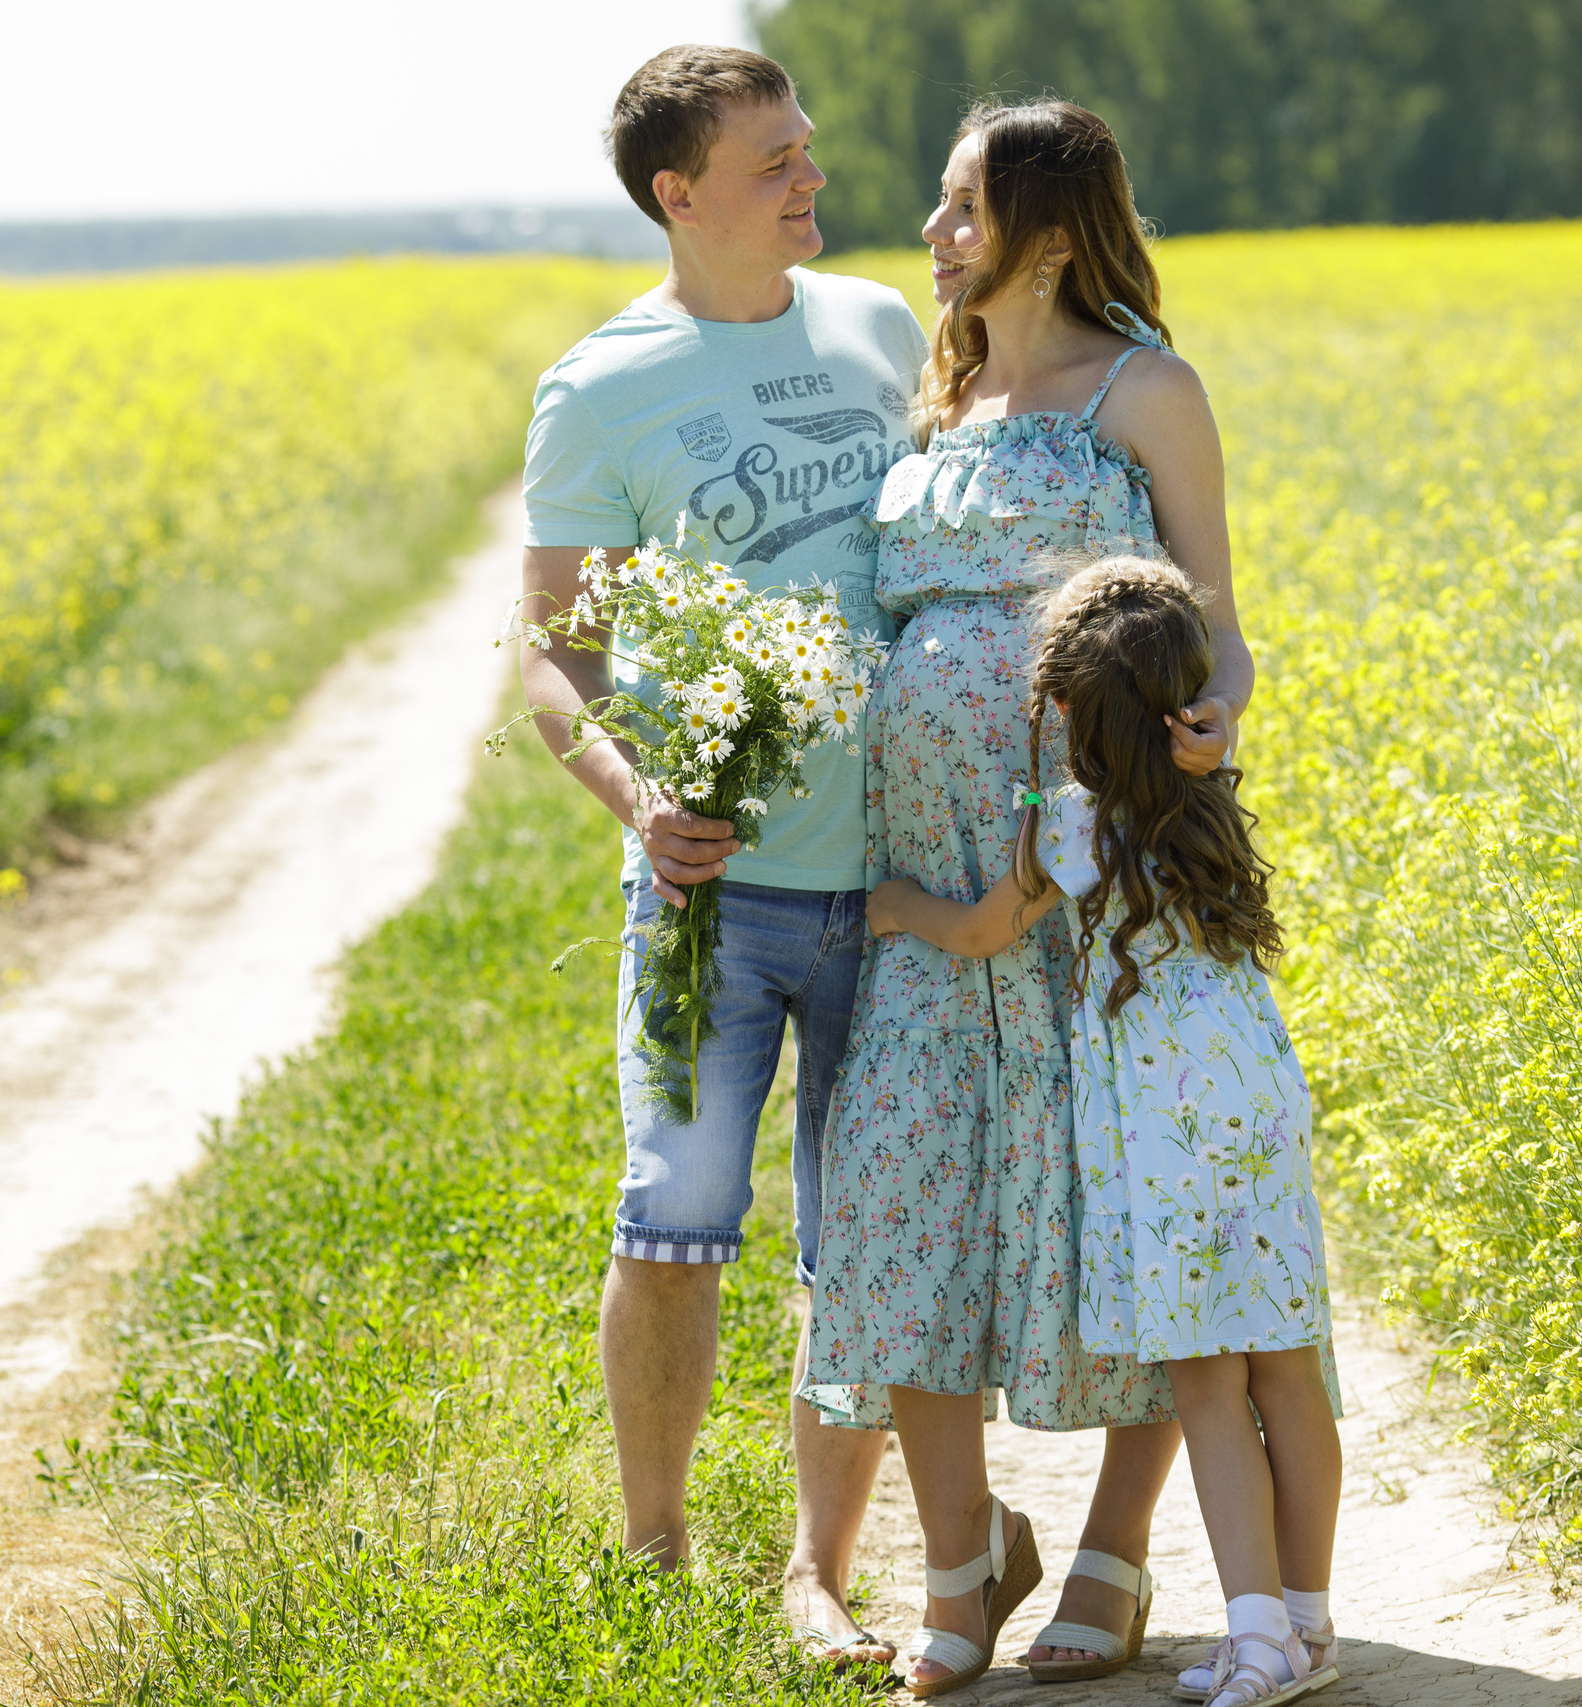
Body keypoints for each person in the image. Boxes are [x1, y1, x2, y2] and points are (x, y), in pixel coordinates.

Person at [795, 99, 1340, 1696]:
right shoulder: (941, 396)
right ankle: (958, 1559)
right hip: (934, 887)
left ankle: (1112, 1545)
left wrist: (1214, 713)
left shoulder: (1144, 389)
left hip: (1094, 891)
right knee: (903, 1196)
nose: (936, 233)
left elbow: (1218, 618)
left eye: (964, 207)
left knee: (1129, 1221)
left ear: (1046, 229)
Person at [516, 43, 928, 1670]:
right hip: (713, 895)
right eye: (775, 162)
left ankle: (820, 1572)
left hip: (895, 881)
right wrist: (636, 798)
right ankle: (656, 1547)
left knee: (862, 1236)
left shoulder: (881, 327)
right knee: (673, 1213)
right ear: (679, 195)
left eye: (806, 148)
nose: (811, 177)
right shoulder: (601, 384)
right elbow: (557, 654)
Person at [865, 558, 1344, 1706]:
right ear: (1184, 699)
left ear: (1066, 707)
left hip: (1167, 1139)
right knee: (1286, 1369)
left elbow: (981, 933)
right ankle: (1307, 1626)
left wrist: (895, 906)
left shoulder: (1067, 826)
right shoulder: (1208, 794)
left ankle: (1257, 1642)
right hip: (1257, 1103)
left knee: (1206, 1382)